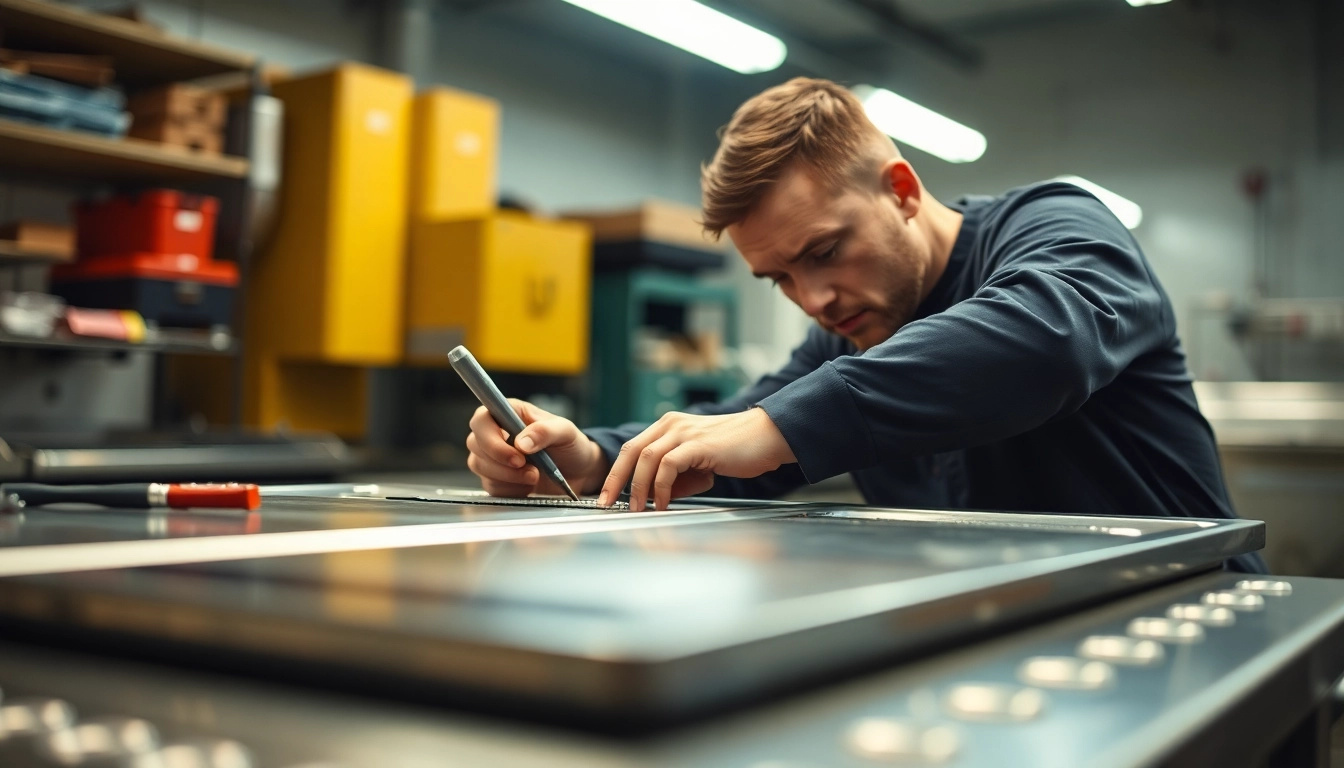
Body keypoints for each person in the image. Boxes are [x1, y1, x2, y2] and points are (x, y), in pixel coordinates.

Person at [464, 77, 1266, 574]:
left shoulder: (1058, 226)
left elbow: (1043, 340)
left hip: (1196, 613)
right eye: (779, 277)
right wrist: (594, 452)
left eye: (824, 251)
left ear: (903, 190)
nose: (813, 299)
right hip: (1020, 628)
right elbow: (734, 437)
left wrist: (777, 424)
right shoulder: (854, 329)